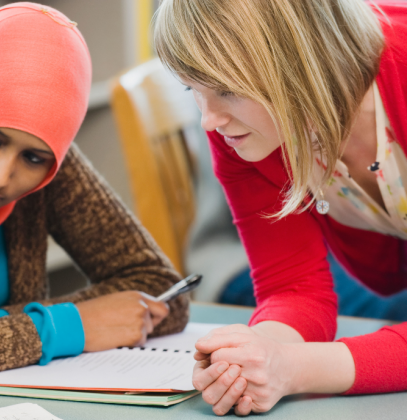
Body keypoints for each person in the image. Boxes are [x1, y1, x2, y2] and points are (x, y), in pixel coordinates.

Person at [0, 2, 189, 389]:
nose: (0, 177)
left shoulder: (49, 163)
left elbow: (160, 289)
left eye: (32, 158)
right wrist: (64, 326)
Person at [154, 0, 407, 415]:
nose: (208, 121)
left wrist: (296, 368)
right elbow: (294, 287)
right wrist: (256, 356)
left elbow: (296, 366)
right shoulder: (237, 132)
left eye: (227, 90)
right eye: (192, 90)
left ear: (303, 56)